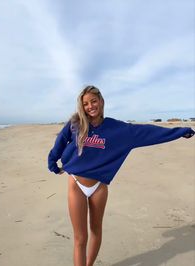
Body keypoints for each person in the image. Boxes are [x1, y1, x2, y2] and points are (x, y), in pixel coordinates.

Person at [48, 85, 194, 266]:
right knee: (80, 238)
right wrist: (53, 163)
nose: (90, 106)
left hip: (99, 187)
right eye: (85, 103)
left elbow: (148, 132)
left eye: (93, 101)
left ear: (101, 101)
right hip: (76, 184)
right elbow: (60, 143)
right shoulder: (75, 124)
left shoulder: (117, 129)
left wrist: (180, 131)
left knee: (96, 230)